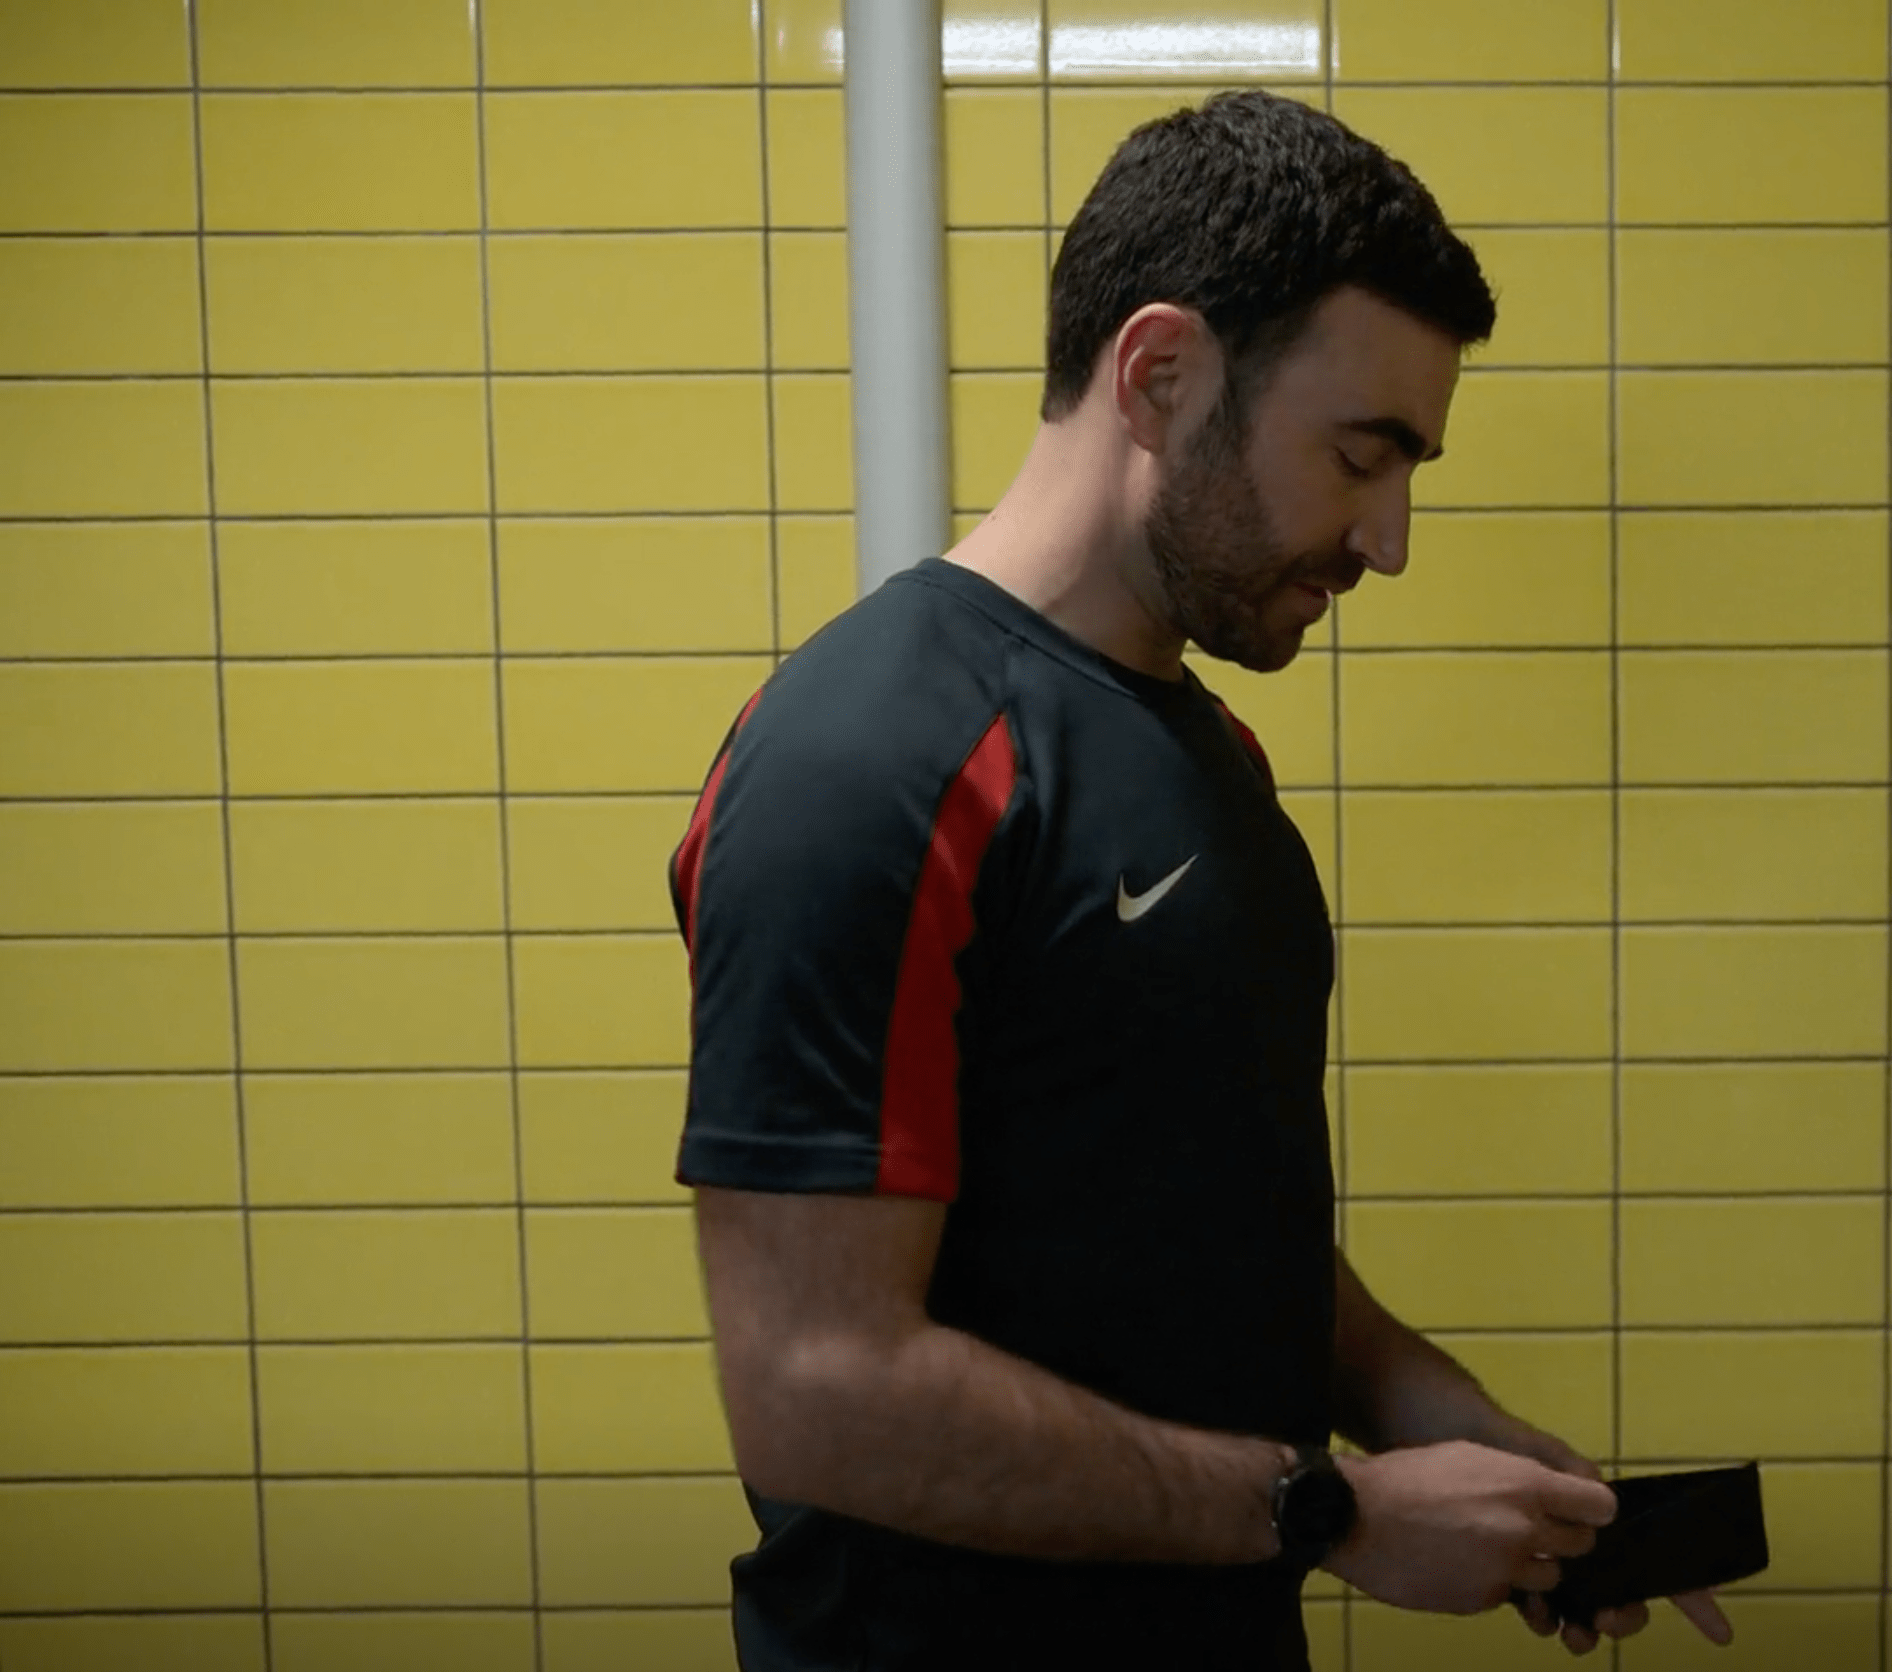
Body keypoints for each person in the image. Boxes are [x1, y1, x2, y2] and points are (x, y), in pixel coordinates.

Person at [668, 91, 1729, 1669]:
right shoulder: (870, 757)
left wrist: (1433, 1415)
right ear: (1160, 374)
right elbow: (816, 1389)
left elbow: (1193, 1207)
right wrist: (1334, 1514)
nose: (1390, 540)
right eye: (1361, 456)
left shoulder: (1208, 751)